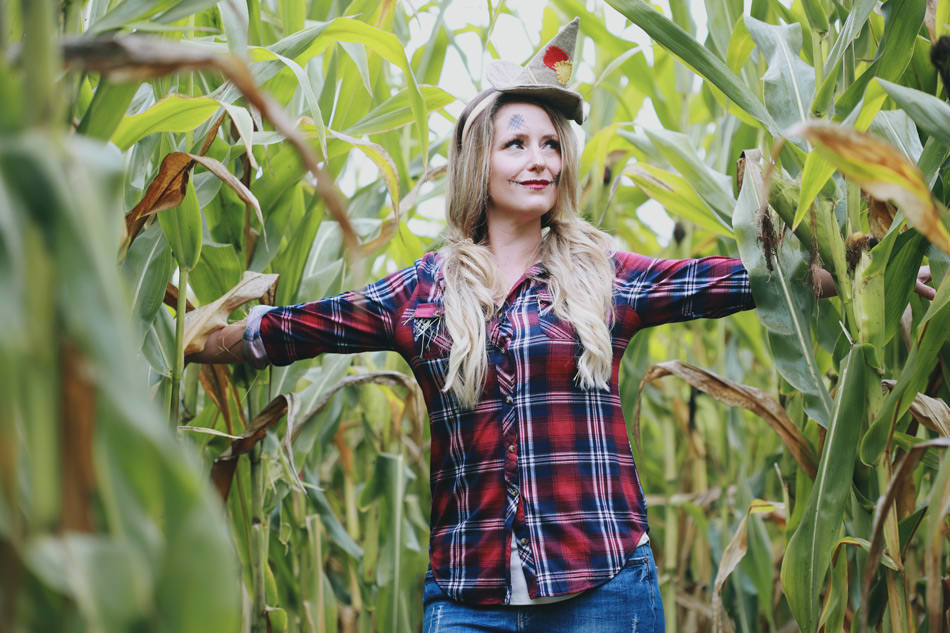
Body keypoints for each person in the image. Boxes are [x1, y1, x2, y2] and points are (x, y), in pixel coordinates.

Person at [187, 18, 935, 633]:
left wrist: (870, 269)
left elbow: (736, 281)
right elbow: (296, 328)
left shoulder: (603, 273)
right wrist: (196, 338)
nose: (540, 159)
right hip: (469, 599)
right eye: (517, 144)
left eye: (551, 144)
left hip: (603, 589)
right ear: (479, 162)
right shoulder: (419, 291)